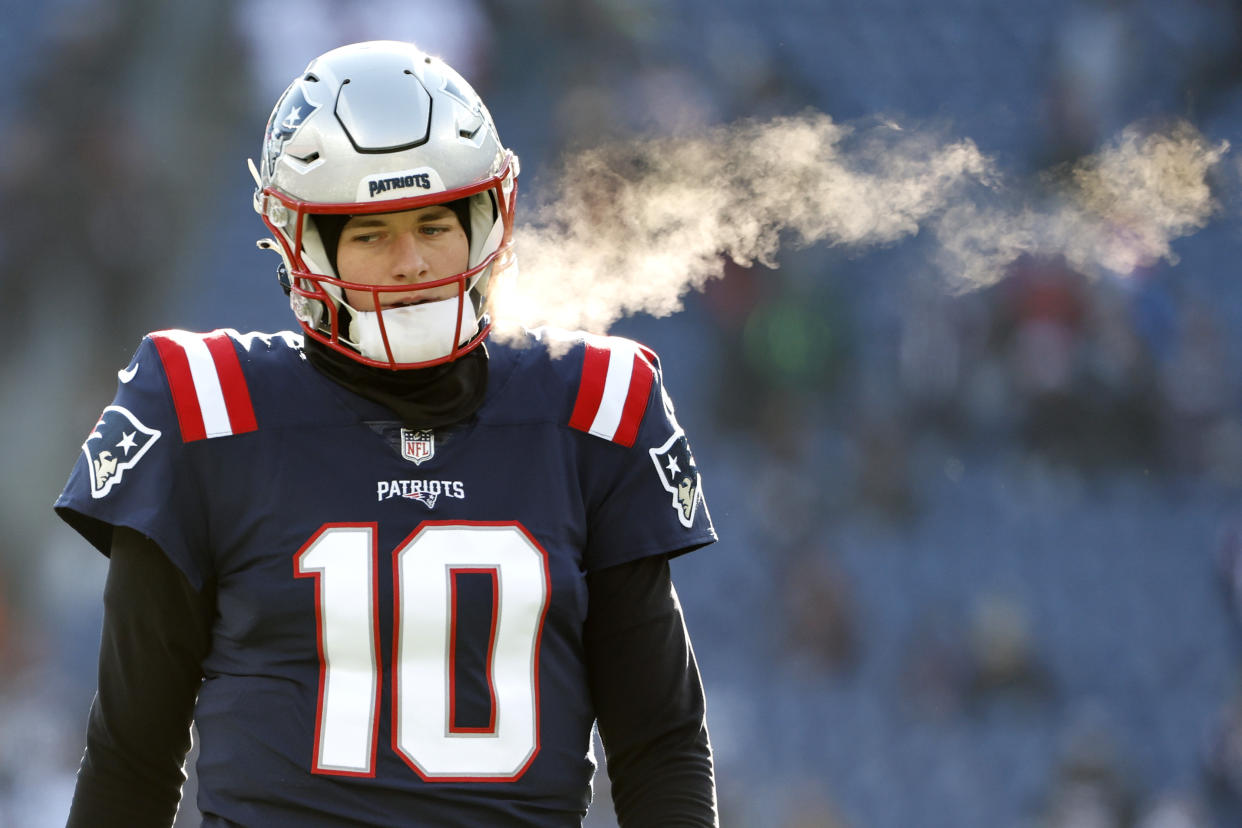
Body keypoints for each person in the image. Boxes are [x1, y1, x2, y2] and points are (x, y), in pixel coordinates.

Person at [54, 40, 719, 827]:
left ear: (486, 220)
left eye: (435, 224)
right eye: (370, 234)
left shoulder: (591, 411)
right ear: (303, 246)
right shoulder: (203, 409)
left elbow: (661, 745)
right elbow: (133, 755)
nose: (411, 263)